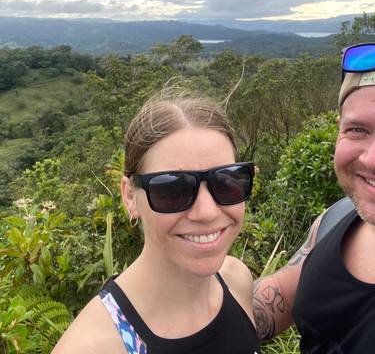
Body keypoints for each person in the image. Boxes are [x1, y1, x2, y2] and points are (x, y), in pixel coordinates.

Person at [53, 92, 261, 354]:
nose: (207, 212)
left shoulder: (235, 280)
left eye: (227, 181)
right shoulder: (96, 346)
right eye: (173, 189)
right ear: (130, 196)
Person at [253, 42, 375, 353]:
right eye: (358, 130)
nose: (372, 159)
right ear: (339, 131)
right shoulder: (339, 217)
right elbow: (284, 292)